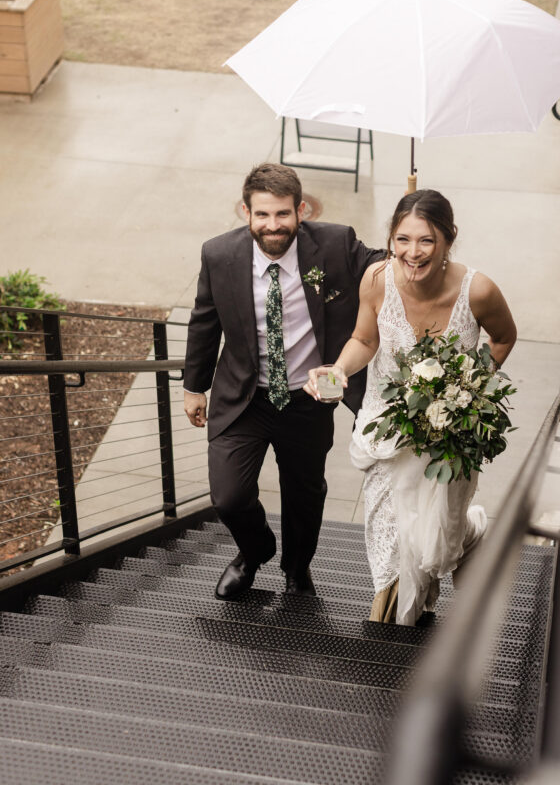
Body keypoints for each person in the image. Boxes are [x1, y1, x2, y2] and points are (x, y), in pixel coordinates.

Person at [304, 189, 517, 625]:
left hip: (448, 437)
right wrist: (340, 369)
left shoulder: (478, 290)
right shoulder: (377, 279)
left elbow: (503, 337)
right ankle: (393, 621)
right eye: (402, 239)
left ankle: (471, 532)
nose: (412, 252)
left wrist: (471, 387)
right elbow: (365, 340)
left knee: (436, 544)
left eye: (426, 241)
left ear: (448, 240)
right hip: (388, 430)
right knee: (394, 543)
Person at [183, 163, 383, 600]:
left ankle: (297, 569)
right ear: (245, 212)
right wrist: (193, 386)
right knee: (229, 496)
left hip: (310, 399)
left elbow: (385, 267)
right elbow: (204, 321)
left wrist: (417, 244)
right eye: (262, 215)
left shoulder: (335, 244)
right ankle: (254, 552)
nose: (273, 226)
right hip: (244, 397)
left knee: (304, 495)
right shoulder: (219, 255)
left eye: (283, 214)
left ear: (301, 210)